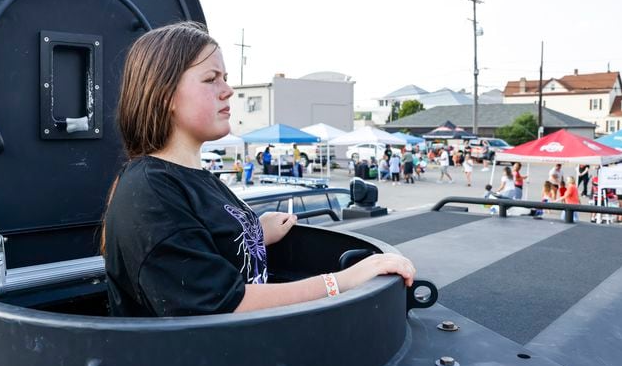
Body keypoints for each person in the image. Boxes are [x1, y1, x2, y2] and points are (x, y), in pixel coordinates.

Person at [101, 22, 415, 317]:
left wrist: (255, 233)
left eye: (224, 77)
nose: (228, 90)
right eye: (211, 79)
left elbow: (204, 245)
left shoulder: (197, 179)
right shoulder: (149, 192)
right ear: (164, 93)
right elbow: (222, 306)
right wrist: (342, 282)